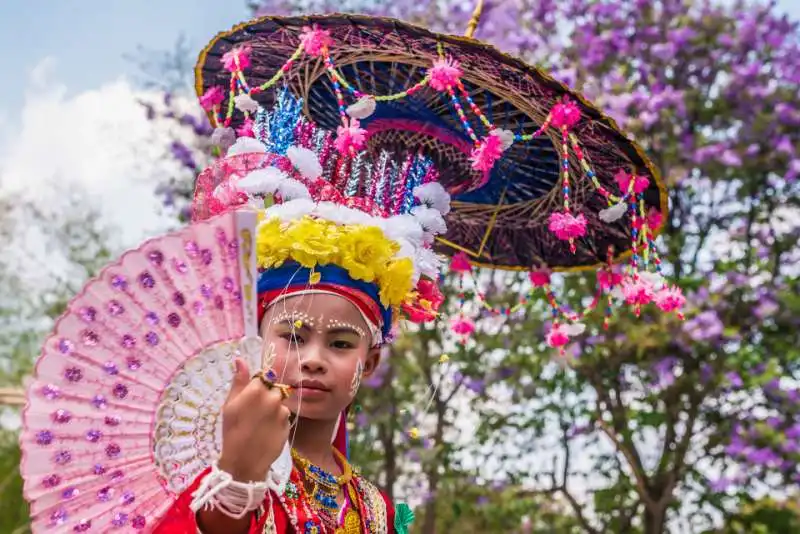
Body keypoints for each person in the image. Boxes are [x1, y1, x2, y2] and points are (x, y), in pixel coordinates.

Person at [151, 82, 447, 532]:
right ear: (256, 343)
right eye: (292, 336)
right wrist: (239, 474)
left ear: (369, 363)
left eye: (341, 343)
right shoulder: (225, 479)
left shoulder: (375, 507)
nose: (313, 360)